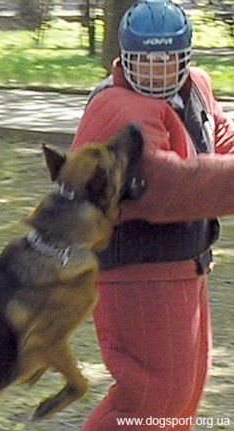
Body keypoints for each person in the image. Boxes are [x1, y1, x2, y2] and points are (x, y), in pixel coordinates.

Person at [71, 1, 234, 430]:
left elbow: (220, 139)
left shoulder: (196, 87)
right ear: (126, 59)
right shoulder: (117, 108)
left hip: (186, 264)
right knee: (150, 396)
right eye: (146, 61)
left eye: (169, 61)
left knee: (185, 394)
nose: (158, 72)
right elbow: (170, 186)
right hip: (134, 273)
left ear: (186, 58)